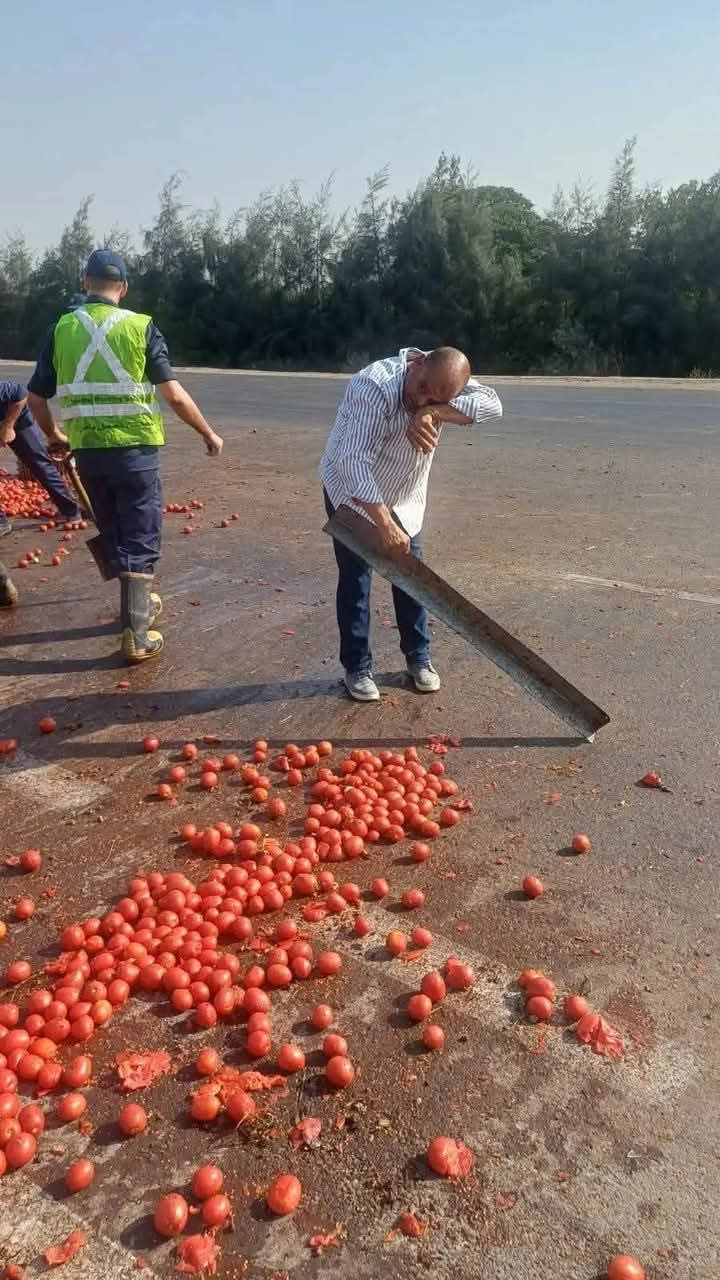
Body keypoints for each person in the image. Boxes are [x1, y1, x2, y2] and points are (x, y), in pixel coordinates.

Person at [27, 249, 223, 664]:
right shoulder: (140, 327)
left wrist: (54, 435)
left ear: (85, 282)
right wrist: (207, 432)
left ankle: (137, 607)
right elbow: (173, 394)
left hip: (90, 455)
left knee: (115, 531)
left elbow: (36, 397)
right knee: (139, 534)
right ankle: (136, 634)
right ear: (125, 287)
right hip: (135, 454)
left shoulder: (61, 328)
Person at [321, 346, 502, 701]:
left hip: (405, 497)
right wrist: (383, 522)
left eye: (433, 398)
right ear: (417, 362)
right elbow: (352, 460)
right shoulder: (373, 387)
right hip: (351, 494)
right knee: (357, 580)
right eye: (421, 390)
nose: (419, 400)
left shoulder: (440, 385)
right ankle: (357, 667)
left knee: (411, 579)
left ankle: (418, 659)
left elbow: (493, 405)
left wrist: (435, 411)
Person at [0, 380, 82, 535]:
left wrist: (8, 426)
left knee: (39, 463)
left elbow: (21, 394)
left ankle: (71, 510)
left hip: (16, 417)